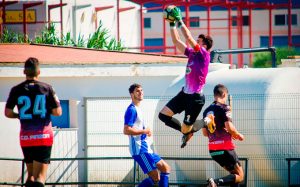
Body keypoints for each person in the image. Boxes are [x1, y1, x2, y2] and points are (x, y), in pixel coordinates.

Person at [158, 6, 213, 148]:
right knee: (163, 115)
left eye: (199, 41)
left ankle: (206, 121)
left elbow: (188, 37)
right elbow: (176, 41)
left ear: (204, 45)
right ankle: (187, 132)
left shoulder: (204, 55)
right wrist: (171, 24)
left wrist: (179, 20)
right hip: (184, 94)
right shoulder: (192, 54)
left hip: (195, 98)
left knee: (185, 128)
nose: (196, 42)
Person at [5, 57, 62, 187]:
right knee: (40, 178)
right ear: (39, 72)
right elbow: (58, 112)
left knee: (30, 176)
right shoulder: (47, 88)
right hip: (43, 136)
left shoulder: (16, 90)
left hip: (26, 137)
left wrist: (19, 116)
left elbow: (8, 113)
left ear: (24, 72)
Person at [123, 83, 171, 187]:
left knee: (165, 168)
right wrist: (143, 131)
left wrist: (146, 131)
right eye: (137, 91)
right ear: (132, 94)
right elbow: (126, 130)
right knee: (155, 177)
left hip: (146, 148)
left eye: (141, 90)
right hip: (140, 150)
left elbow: (137, 127)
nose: (141, 92)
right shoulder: (131, 110)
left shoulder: (138, 109)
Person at [201, 84, 244, 187]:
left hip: (213, 150)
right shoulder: (225, 108)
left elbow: (205, 133)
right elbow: (229, 127)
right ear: (224, 94)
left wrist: (228, 133)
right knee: (240, 176)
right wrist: (237, 134)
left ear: (215, 95)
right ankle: (215, 182)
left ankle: (215, 182)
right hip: (225, 148)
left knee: (234, 175)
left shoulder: (206, 111)